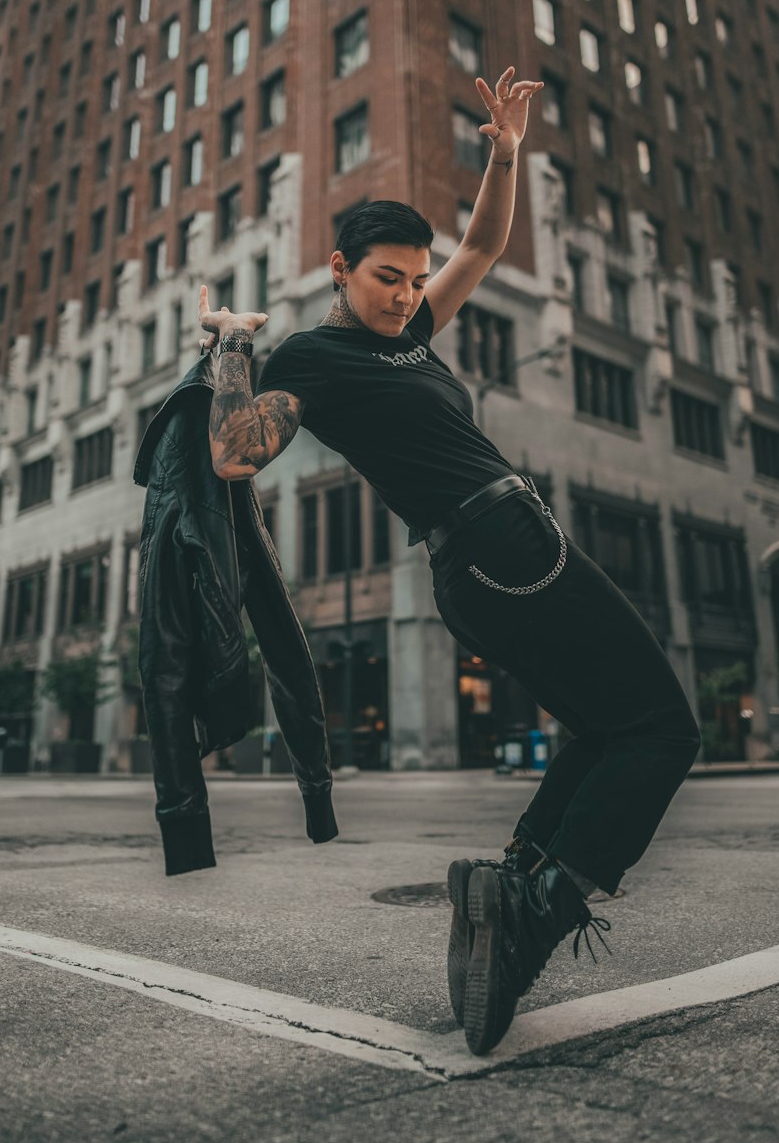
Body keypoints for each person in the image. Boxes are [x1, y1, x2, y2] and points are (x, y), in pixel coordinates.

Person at [198, 66, 701, 1056]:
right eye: (385, 275)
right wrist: (230, 346)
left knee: (609, 728)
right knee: (664, 728)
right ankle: (533, 908)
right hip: (491, 544)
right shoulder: (310, 355)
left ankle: (511, 890)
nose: (404, 293)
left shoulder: (414, 330)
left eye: (411, 275)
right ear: (339, 269)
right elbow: (233, 451)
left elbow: (480, 243)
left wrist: (503, 157)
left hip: (506, 543)